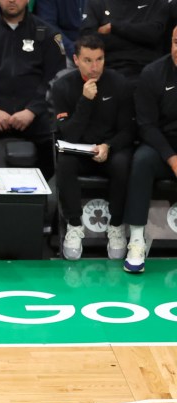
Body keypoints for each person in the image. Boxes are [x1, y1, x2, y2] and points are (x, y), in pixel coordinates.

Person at [0, 0, 66, 177]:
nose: (12, 0)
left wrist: (32, 110)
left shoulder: (47, 34)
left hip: (33, 114)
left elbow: (55, 78)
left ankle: (45, 195)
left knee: (57, 134)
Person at [51, 33, 135, 261]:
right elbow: (68, 133)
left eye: (99, 59)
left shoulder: (120, 85)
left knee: (123, 162)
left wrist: (108, 145)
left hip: (110, 150)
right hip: (77, 150)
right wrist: (85, 101)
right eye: (88, 60)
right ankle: (74, 226)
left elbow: (128, 131)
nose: (94, 66)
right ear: (76, 60)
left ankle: (117, 226)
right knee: (65, 161)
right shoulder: (62, 87)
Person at [123, 24, 177, 274]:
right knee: (141, 160)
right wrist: (172, 158)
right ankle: (136, 240)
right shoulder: (153, 73)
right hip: (160, 145)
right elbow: (147, 125)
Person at [80, 0, 168, 80]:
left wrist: (114, 27)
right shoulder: (97, 2)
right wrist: (137, 37)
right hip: (107, 68)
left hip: (145, 68)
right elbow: (87, 40)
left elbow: (154, 34)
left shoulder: (157, 2)